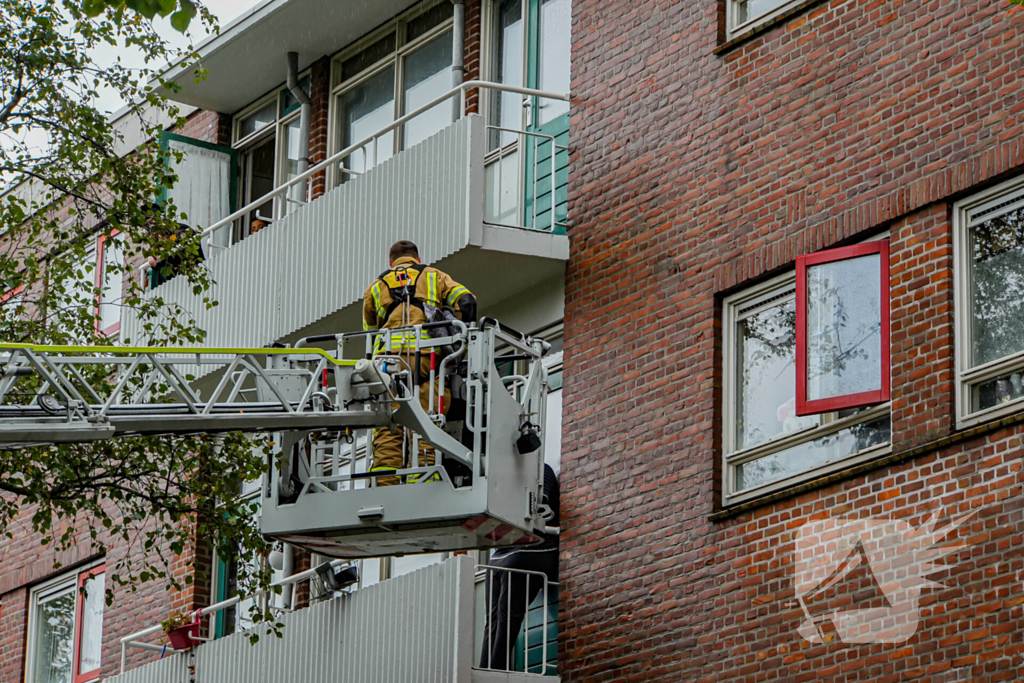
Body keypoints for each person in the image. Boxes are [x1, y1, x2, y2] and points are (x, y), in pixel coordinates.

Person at [362, 240, 477, 486]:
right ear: (417, 257)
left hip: (388, 366)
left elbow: (369, 336)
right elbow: (467, 302)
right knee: (427, 423)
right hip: (429, 360)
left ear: (390, 262)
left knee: (388, 428)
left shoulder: (374, 288)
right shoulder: (434, 276)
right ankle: (423, 483)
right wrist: (462, 341)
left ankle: (385, 488)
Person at [480, 464, 560, 671]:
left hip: (499, 558)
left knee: (494, 620)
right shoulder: (539, 469)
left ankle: (486, 670)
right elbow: (542, 505)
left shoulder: (505, 477)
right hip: (531, 551)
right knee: (508, 616)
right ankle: (495, 672)